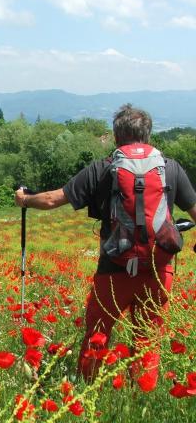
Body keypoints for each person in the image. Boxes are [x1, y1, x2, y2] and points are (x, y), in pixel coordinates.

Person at [15, 104, 196, 385]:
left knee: (98, 335)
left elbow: (52, 200)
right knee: (147, 340)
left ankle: (88, 396)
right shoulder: (170, 169)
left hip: (113, 269)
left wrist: (25, 199)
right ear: (148, 136)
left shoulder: (102, 168)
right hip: (159, 271)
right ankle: (140, 400)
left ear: (116, 137)